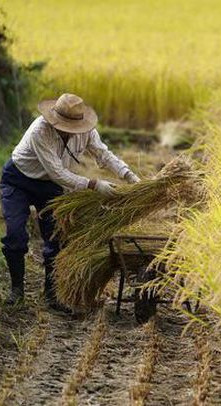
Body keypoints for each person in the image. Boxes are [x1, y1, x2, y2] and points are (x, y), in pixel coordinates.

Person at [0, 93, 140, 312]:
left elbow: (104, 155)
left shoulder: (86, 132)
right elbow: (58, 173)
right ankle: (17, 291)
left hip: (48, 186)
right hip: (19, 179)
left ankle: (51, 295)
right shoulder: (40, 131)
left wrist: (129, 176)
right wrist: (94, 185)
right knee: (16, 235)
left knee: (56, 237)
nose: (68, 130)